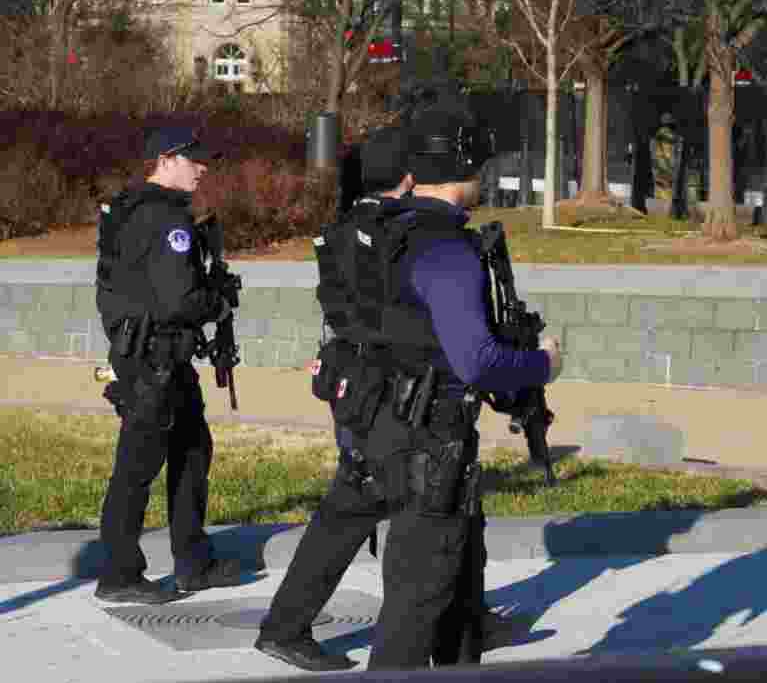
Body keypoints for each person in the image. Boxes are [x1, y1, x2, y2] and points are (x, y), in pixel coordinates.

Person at [254, 101, 563, 671]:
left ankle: (465, 633)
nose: (486, 179)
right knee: (417, 597)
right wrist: (543, 364)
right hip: (426, 439)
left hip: (375, 419)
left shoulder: (380, 231)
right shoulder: (446, 247)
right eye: (483, 169)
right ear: (466, 172)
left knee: (424, 573)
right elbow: (478, 361)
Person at [93, 126, 245, 604]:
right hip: (153, 358)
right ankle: (119, 574)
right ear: (166, 159)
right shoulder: (164, 219)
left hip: (159, 357)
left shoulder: (134, 208)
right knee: (138, 466)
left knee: (192, 450)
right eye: (194, 159)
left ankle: (193, 561)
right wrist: (217, 304)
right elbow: (179, 299)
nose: (203, 168)